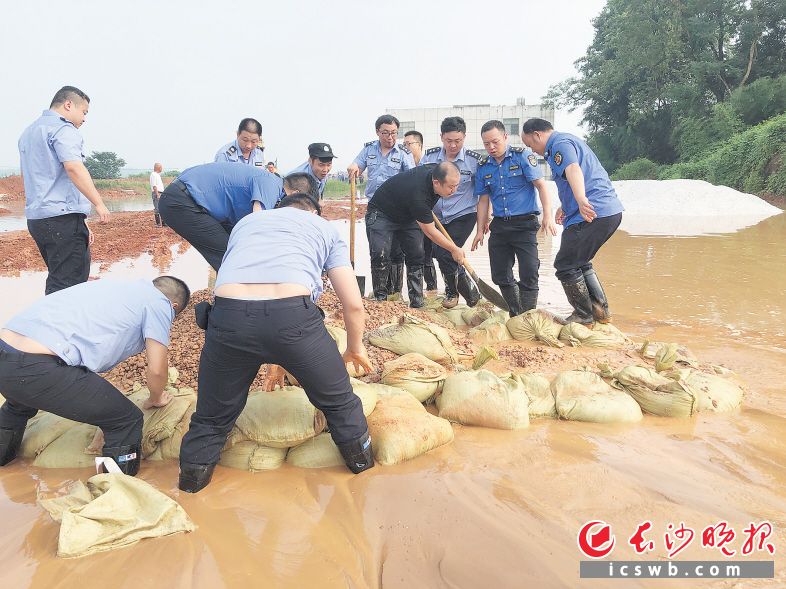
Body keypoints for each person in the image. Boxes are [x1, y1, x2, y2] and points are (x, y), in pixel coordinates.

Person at [178, 194, 375, 493]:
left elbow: (255, 301)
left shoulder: (246, 224)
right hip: (293, 317)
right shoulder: (322, 228)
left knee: (210, 418)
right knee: (339, 404)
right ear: (314, 212)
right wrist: (355, 348)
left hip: (228, 317)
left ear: (277, 210)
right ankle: (365, 478)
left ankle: (189, 490)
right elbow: (353, 306)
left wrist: (277, 360)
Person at [0, 276, 190, 475]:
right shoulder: (160, 304)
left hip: (6, 353)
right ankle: (111, 487)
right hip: (37, 367)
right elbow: (158, 368)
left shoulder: (119, 285)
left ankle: (4, 469)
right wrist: (156, 397)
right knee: (125, 420)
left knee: (18, 405)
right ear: (174, 305)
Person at [521, 118, 624, 325]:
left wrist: (581, 200)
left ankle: (583, 315)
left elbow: (573, 169)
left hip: (592, 213)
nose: (532, 151)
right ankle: (600, 312)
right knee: (579, 262)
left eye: (530, 145)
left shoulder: (558, 144)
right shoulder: (568, 141)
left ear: (537, 135)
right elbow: (574, 178)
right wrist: (566, 206)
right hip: (606, 212)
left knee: (565, 265)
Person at [18, 86, 111, 295]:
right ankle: (56, 326)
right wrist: (98, 203)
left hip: (39, 219)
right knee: (66, 287)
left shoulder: (29, 132)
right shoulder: (64, 129)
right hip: (61, 219)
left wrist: (81, 218)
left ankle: (56, 323)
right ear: (68, 105)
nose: (84, 118)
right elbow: (73, 167)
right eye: (84, 112)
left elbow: (31, 178)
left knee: (63, 277)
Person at [471, 120, 556, 317]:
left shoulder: (523, 156)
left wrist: (548, 216)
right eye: (486, 144)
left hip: (525, 224)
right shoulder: (483, 166)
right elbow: (483, 200)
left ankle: (528, 316)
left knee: (529, 272)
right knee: (500, 274)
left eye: (495, 142)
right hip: (499, 226)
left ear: (505, 137)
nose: (491, 147)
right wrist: (479, 230)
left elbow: (541, 186)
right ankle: (516, 313)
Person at [365, 162, 466, 308]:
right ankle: (381, 301)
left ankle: (416, 302)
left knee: (417, 253)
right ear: (436, 182)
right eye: (451, 187)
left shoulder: (437, 170)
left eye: (457, 185)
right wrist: (454, 249)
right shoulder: (419, 195)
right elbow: (430, 232)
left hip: (408, 214)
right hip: (382, 213)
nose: (454, 190)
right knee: (381, 254)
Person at [158, 162, 283, 271]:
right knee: (231, 256)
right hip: (181, 201)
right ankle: (233, 295)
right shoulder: (272, 184)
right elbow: (256, 226)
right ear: (295, 193)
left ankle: (227, 293)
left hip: (187, 199)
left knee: (233, 252)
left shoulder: (270, 184)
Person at [347, 115, 416, 297]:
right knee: (378, 252)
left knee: (396, 253)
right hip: (376, 209)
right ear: (378, 132)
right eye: (385, 133)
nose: (390, 137)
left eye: (394, 133)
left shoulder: (404, 154)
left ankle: (395, 293)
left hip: (398, 209)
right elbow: (357, 164)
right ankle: (380, 295)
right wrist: (354, 168)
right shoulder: (369, 150)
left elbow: (412, 179)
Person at [420, 117, 484, 307]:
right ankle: (472, 295)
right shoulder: (430, 158)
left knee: (445, 253)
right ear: (441, 137)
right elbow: (420, 184)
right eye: (449, 141)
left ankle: (452, 294)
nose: (453, 145)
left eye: (458, 140)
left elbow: (483, 195)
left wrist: (482, 223)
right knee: (437, 254)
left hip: (462, 215)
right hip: (436, 216)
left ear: (464, 137)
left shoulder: (474, 161)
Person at [150, 162, 166, 227]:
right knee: (157, 208)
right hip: (157, 192)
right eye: (161, 167)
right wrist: (157, 194)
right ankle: (159, 223)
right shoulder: (153, 174)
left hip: (160, 192)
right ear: (158, 167)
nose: (162, 169)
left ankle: (163, 222)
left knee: (162, 208)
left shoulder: (157, 175)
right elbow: (154, 186)